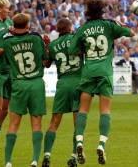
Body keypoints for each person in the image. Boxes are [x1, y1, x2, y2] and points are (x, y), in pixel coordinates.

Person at [68, 0, 134, 165]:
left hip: (89, 71)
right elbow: (130, 33)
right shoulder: (109, 25)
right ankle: (101, 145)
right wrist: (118, 22)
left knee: (83, 110)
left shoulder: (82, 29)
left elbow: (72, 50)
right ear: (102, 11)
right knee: (105, 111)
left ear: (87, 12)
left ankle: (80, 141)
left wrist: (85, 48)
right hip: (105, 72)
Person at [2, 13, 49, 167]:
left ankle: (8, 162)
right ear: (28, 25)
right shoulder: (36, 38)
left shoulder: (7, 41)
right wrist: (46, 45)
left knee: (13, 124)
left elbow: (7, 60)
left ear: (14, 26)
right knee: (36, 124)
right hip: (36, 83)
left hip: (19, 84)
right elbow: (45, 61)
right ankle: (35, 160)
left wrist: (12, 30)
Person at [41, 18, 83, 167]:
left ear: (58, 30)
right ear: (70, 28)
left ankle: (46, 156)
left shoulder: (53, 45)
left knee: (54, 122)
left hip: (63, 83)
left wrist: (46, 46)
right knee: (78, 122)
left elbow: (45, 64)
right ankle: (73, 156)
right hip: (78, 82)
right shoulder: (77, 39)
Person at [0, 0, 12, 161]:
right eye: (6, 7)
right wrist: (8, 48)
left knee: (5, 110)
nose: (8, 9)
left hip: (9, 71)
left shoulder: (9, 23)